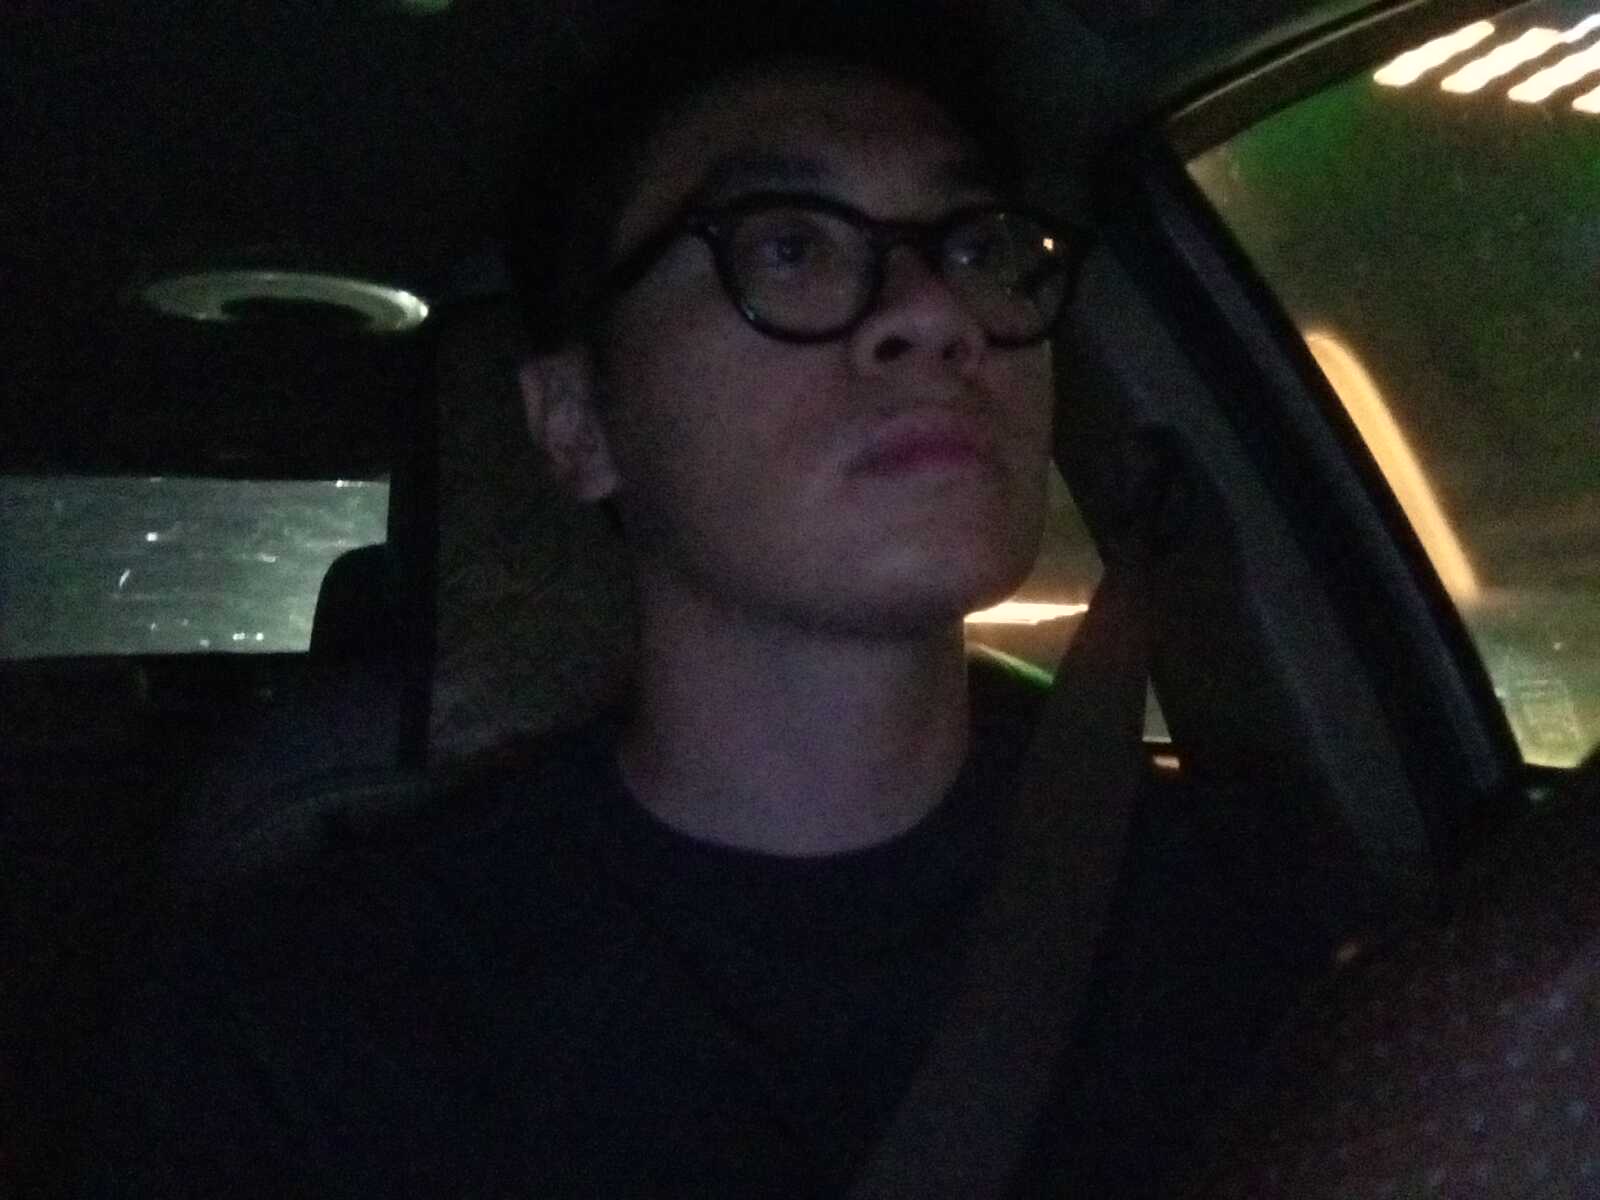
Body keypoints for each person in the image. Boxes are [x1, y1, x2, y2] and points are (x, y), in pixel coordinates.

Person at [50, 8, 1320, 1197]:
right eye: (786, 246)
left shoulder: (1250, 910)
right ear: (578, 424)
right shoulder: (316, 1024)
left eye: (976, 246)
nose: (936, 314)